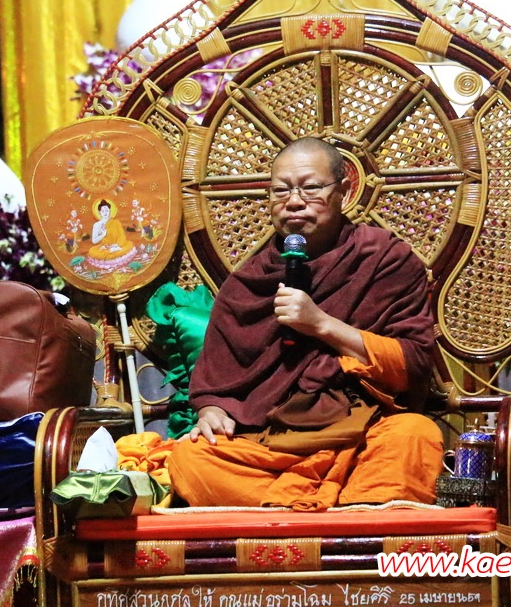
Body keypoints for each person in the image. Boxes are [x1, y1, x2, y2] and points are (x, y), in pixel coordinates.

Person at [167, 137, 442, 511]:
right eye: (281, 191)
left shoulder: (384, 259)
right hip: (271, 445)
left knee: (413, 434)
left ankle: (293, 515)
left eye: (311, 188)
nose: (294, 202)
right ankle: (346, 515)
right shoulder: (247, 284)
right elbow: (215, 385)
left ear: (344, 191)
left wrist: (321, 324)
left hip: (358, 435)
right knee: (191, 458)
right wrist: (211, 412)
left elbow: (412, 365)